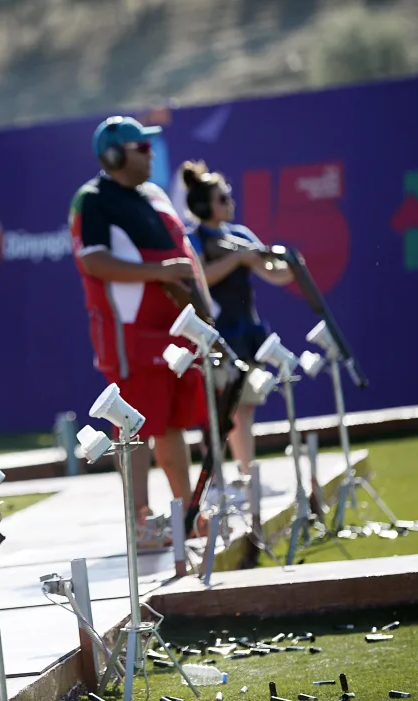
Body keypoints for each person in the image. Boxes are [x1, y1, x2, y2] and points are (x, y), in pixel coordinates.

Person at [68, 116, 212, 548]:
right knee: (134, 428)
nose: (151, 155)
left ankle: (186, 512)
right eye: (141, 148)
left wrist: (201, 306)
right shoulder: (92, 199)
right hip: (129, 332)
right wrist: (159, 273)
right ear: (114, 155)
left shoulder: (155, 195)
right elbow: (92, 261)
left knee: (171, 426)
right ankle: (140, 522)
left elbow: (183, 259)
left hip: (174, 329)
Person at [181, 160, 294, 480]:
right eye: (221, 198)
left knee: (245, 408)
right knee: (216, 414)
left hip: (245, 332)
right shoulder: (196, 240)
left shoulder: (241, 234)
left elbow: (271, 272)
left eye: (228, 196)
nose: (229, 202)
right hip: (217, 336)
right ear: (204, 205)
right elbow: (201, 276)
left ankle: (247, 476)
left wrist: (291, 267)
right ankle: (214, 481)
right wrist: (239, 258)